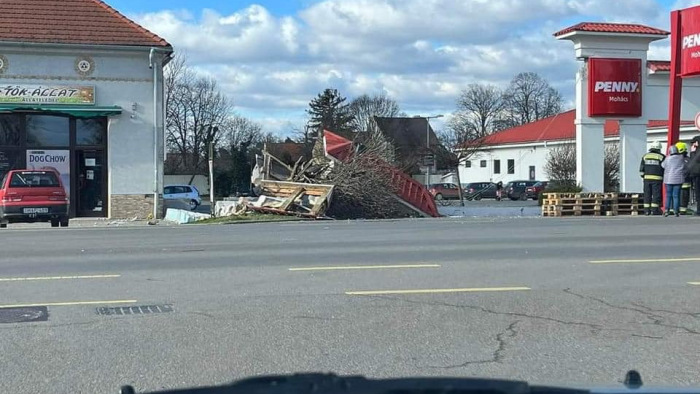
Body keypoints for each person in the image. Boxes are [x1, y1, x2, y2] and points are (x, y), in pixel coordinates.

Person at [639, 141, 665, 215]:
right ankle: (655, 210)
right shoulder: (661, 157)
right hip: (657, 179)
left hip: (646, 179)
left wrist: (643, 176)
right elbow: (664, 168)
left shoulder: (645, 156)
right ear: (659, 149)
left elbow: (641, 169)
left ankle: (646, 210)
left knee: (647, 194)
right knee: (656, 194)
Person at [662, 144, 686, 217]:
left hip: (668, 179)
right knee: (676, 196)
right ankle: (676, 211)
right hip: (678, 180)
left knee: (668, 195)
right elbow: (684, 166)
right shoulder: (681, 158)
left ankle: (666, 210)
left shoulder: (667, 158)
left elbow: (663, 165)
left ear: (670, 151)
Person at [677, 142, 692, 215]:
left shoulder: (673, 159)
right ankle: (683, 210)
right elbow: (689, 170)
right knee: (684, 197)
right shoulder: (688, 159)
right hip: (685, 181)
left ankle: (674, 209)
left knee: (675, 196)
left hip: (675, 181)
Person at [687, 136, 700, 215]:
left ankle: (699, 210)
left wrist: (692, 152)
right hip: (696, 174)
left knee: (698, 193)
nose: (692, 145)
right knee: (697, 193)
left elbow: (694, 162)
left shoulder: (697, 152)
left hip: (698, 174)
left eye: (693, 143)